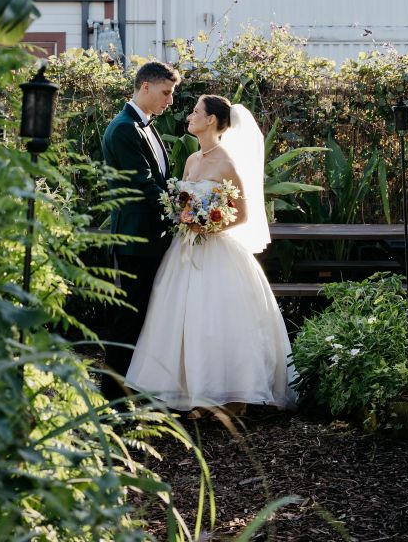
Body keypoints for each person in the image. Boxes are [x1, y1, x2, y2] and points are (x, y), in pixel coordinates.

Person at [126, 95, 296, 412]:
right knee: (184, 320)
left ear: (212, 121)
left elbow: (242, 214)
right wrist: (182, 215)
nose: (189, 116)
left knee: (218, 320)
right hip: (184, 250)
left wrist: (209, 226)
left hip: (217, 250)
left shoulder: (227, 162)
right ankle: (194, 393)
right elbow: (182, 203)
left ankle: (232, 396)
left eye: (195, 112)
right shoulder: (191, 160)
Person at [100, 60, 180, 401]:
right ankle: (113, 398)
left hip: (152, 239)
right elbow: (144, 185)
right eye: (166, 92)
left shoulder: (145, 126)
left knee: (144, 316)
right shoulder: (123, 129)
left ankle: (131, 391)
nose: (170, 101)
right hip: (135, 241)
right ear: (145, 87)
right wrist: (183, 212)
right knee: (129, 318)